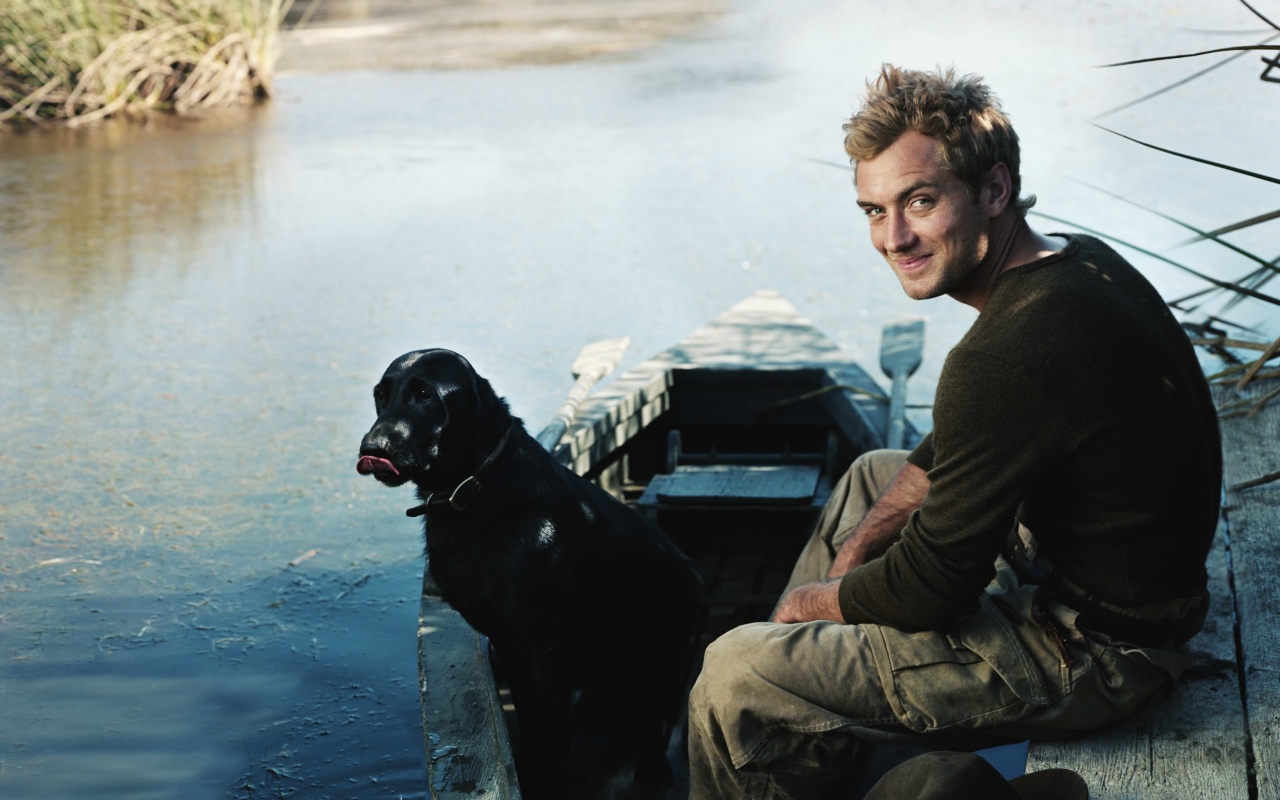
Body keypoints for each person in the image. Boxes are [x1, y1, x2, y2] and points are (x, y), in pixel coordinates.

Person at [686, 64, 1222, 799]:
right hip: (1108, 584)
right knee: (875, 475)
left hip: (1101, 651)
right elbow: (956, 443)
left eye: (920, 201)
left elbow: (931, 588)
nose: (893, 238)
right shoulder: (1073, 264)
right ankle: (814, 739)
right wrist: (854, 557)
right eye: (873, 210)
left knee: (733, 673)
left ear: (994, 190)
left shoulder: (1003, 354)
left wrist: (805, 605)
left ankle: (782, 695)